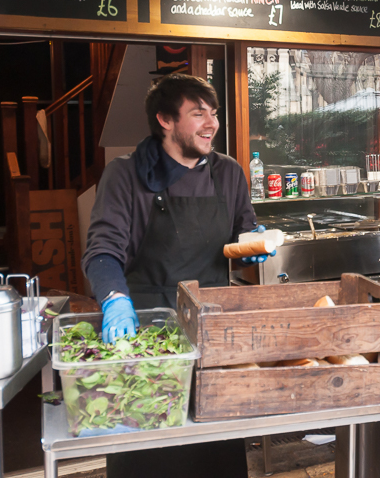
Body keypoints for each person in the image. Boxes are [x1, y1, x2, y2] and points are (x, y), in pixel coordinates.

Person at [82, 73, 270, 477]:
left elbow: (242, 232)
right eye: (198, 113)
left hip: (214, 338)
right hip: (150, 339)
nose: (212, 124)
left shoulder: (229, 173)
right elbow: (102, 252)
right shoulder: (125, 176)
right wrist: (114, 299)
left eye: (214, 114)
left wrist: (253, 246)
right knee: (151, 455)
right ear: (165, 120)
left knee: (217, 453)